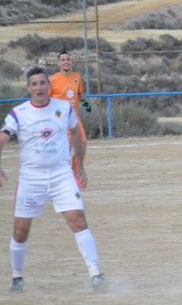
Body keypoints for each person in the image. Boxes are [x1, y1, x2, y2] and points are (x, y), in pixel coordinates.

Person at [0, 67, 106, 292]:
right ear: (28, 88)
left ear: (49, 85)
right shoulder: (19, 113)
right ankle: (17, 277)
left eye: (42, 83)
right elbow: (3, 137)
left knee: (78, 219)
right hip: (31, 179)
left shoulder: (64, 108)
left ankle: (96, 274)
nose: (39, 87)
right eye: (34, 84)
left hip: (61, 175)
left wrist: (80, 166)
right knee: (21, 229)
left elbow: (76, 133)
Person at [49, 50, 91, 188]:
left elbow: (80, 95)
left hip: (74, 117)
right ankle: (61, 176)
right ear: (58, 63)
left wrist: (86, 104)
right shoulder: (52, 80)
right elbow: (47, 100)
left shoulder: (77, 77)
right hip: (59, 118)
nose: (66, 62)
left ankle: (75, 169)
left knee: (82, 143)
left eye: (68, 59)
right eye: (63, 60)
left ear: (71, 62)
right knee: (64, 148)